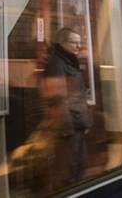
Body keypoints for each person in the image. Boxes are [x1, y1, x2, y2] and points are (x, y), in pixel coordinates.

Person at [41, 27, 93, 185]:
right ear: (63, 43)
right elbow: (58, 99)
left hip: (77, 125)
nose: (79, 46)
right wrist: (67, 131)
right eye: (74, 42)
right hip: (69, 129)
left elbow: (77, 96)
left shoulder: (69, 61)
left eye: (79, 42)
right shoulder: (57, 64)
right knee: (69, 174)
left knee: (79, 168)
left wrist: (85, 122)